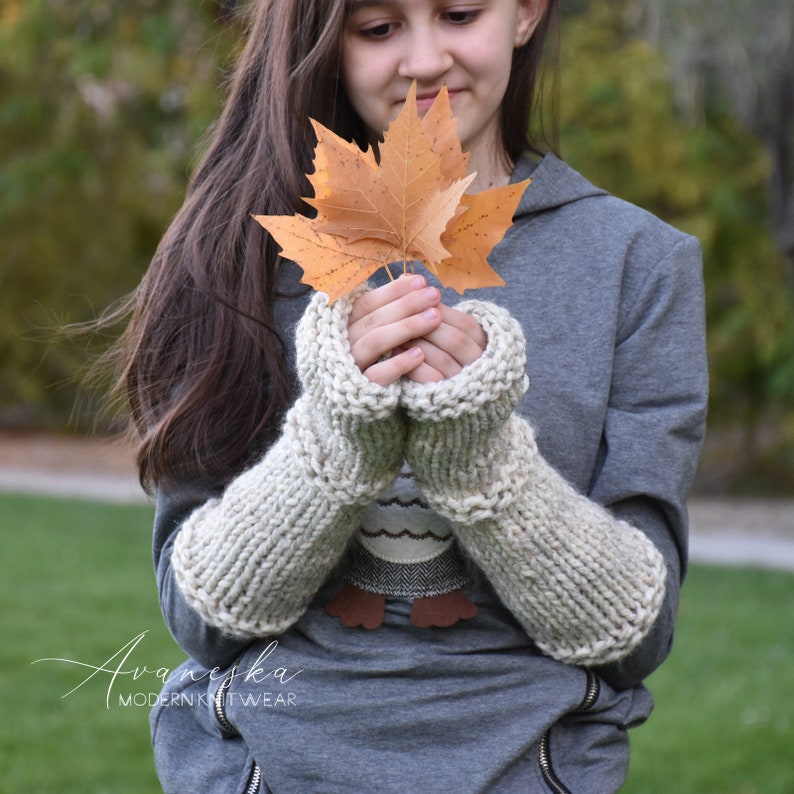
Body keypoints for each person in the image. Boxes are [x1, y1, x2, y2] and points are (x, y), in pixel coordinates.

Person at [118, 0, 708, 791]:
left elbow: (635, 635)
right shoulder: (236, 254)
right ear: (325, 40)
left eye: (459, 13)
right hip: (266, 768)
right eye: (378, 28)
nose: (424, 60)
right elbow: (201, 621)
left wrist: (479, 461)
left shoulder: (639, 264)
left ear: (526, 13)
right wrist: (338, 437)